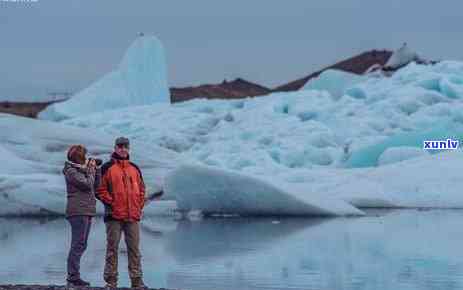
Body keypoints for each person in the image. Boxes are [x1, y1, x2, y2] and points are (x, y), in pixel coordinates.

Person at [97, 137, 147, 290]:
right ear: (115, 148)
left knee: (134, 249)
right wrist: (112, 203)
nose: (123, 149)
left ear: (129, 148)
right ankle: (111, 282)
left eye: (125, 146)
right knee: (112, 248)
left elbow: (142, 190)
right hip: (114, 216)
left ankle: (136, 281)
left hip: (133, 216)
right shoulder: (107, 168)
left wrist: (138, 205)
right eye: (120, 146)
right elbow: (99, 190)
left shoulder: (134, 168)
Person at [63, 144, 101, 287]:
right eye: (84, 156)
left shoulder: (82, 170)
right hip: (78, 211)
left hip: (86, 210)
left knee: (82, 244)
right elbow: (86, 184)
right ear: (79, 157)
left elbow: (95, 186)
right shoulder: (71, 170)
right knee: (77, 244)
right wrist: (91, 169)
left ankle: (74, 276)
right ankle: (73, 277)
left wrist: (97, 170)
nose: (86, 158)